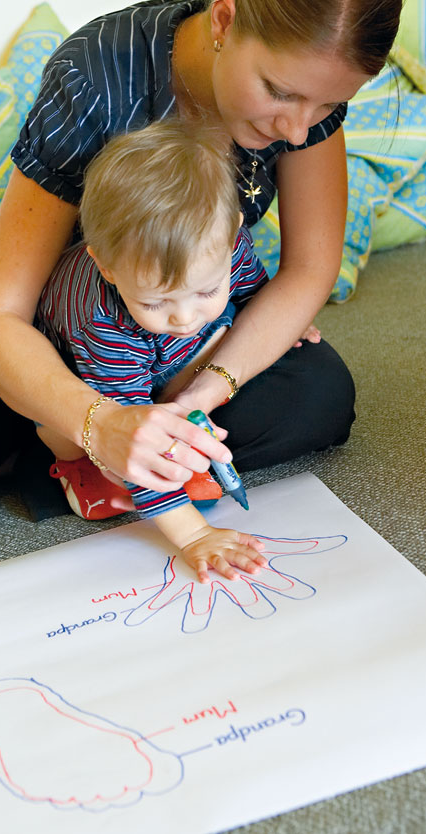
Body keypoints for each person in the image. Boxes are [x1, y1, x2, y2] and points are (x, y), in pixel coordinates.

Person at [0, 0, 404, 569]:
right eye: (280, 92)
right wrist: (98, 422)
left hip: (169, 346)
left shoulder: (307, 99)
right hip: (49, 332)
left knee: (319, 396)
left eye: (329, 105)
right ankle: (51, 442)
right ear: (224, 20)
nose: (298, 130)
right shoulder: (97, 75)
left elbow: (309, 271)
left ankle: (63, 462)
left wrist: (209, 388)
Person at [36, 118, 271, 582]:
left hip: (153, 359)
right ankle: (74, 467)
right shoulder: (101, 325)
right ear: (104, 266)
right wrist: (195, 535)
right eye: (157, 301)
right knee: (66, 430)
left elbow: (254, 294)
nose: (184, 317)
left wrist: (291, 320)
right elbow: (131, 438)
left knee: (229, 334)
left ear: (233, 235)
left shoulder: (226, 246)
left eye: (205, 290)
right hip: (84, 382)